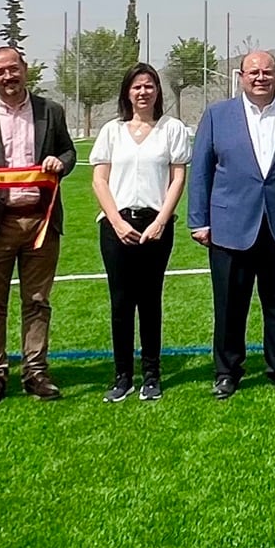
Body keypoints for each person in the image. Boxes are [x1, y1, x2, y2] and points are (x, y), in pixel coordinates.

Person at [187, 49, 275, 398]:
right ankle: (227, 371)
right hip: (230, 226)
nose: (260, 77)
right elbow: (200, 170)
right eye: (253, 72)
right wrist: (198, 221)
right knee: (230, 304)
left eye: (267, 72)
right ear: (241, 76)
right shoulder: (218, 116)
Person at [0, 45, 77, 406]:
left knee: (37, 301)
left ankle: (36, 372)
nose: (8, 76)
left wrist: (60, 163)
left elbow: (69, 153)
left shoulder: (50, 111)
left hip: (41, 221)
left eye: (13, 68)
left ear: (25, 68)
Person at [89, 63, 190, 402]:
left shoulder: (172, 129)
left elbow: (177, 178)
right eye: (136, 87)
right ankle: (122, 376)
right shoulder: (111, 131)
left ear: (157, 91)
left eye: (149, 86)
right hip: (116, 226)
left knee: (150, 300)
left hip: (156, 226)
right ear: (127, 93)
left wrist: (162, 220)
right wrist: (116, 221)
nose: (143, 92)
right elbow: (99, 179)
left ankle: (151, 374)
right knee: (120, 301)